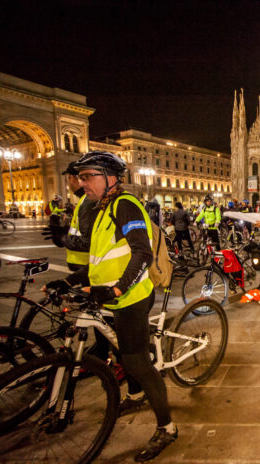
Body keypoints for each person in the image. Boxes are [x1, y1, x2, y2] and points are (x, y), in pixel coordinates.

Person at [42, 151, 176, 461]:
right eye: (82, 176)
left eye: (89, 176)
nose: (82, 182)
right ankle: (136, 393)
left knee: (138, 362)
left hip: (131, 297)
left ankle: (167, 427)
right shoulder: (102, 210)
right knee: (122, 351)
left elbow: (141, 254)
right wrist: (72, 280)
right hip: (111, 293)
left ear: (110, 178)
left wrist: (116, 288)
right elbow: (102, 258)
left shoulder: (125, 206)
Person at [42, 161, 98, 272]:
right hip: (84, 264)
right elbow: (85, 231)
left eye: (68, 178)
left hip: (87, 265)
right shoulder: (85, 200)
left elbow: (91, 240)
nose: (68, 183)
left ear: (74, 178)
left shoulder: (88, 201)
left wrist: (63, 238)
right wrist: (66, 231)